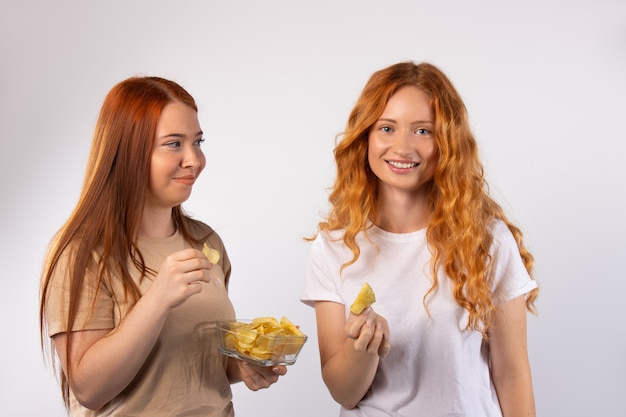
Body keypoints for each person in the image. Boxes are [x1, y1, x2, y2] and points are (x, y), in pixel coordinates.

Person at [301, 62, 538, 417]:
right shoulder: (334, 248)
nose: (402, 147)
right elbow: (344, 392)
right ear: (365, 137)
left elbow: (512, 376)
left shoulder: (487, 240)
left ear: (448, 143)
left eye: (423, 131)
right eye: (386, 128)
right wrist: (362, 349)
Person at [39, 76, 287, 416]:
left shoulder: (206, 242)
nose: (194, 160)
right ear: (126, 151)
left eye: (198, 142)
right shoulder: (81, 253)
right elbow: (89, 389)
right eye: (174, 144)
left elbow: (204, 362)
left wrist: (245, 366)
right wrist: (158, 299)